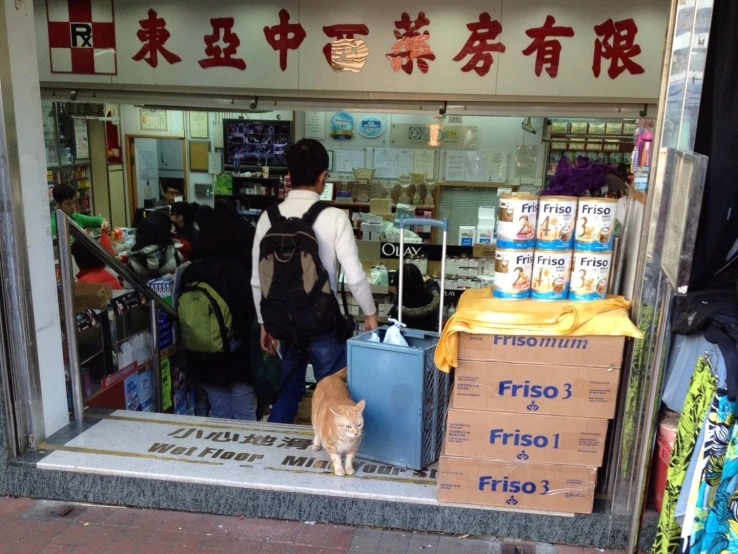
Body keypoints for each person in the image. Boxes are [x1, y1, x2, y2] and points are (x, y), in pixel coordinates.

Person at [251, 138, 378, 424]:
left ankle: (270, 451)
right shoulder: (334, 217)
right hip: (323, 324)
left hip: (285, 324)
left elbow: (257, 280)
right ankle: (335, 450)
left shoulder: (267, 218)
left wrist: (264, 324)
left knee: (288, 390)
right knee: (336, 391)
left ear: (289, 176)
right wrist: (370, 315)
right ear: (323, 177)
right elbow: (355, 276)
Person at [179, 205, 256, 420]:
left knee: (219, 413)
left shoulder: (191, 271)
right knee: (245, 417)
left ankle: (220, 452)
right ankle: (246, 453)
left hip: (203, 355)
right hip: (237, 359)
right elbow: (247, 319)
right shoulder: (241, 274)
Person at [127, 214, 183, 280]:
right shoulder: (176, 255)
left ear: (139, 235)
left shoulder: (133, 259)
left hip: (140, 290)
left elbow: (128, 287)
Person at [389, 263, 440, 332]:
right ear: (420, 281)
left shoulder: (398, 308)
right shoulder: (430, 300)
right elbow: (435, 289)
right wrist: (429, 281)